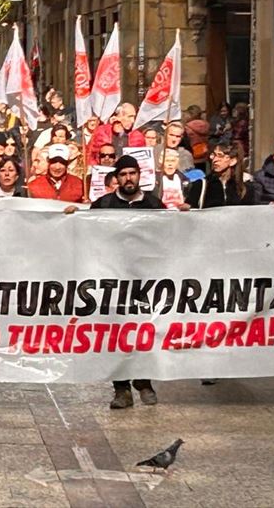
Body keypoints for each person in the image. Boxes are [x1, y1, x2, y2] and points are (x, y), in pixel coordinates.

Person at [76, 156, 162, 407]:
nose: (128, 178)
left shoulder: (154, 204)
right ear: (116, 178)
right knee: (117, 334)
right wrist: (72, 216)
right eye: (123, 174)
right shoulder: (104, 204)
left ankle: (144, 382)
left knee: (145, 330)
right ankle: (121, 389)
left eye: (132, 173)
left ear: (139, 175)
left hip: (146, 281)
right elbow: (87, 235)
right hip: (113, 280)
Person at [199, 142, 255, 207]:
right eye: (213, 155)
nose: (215, 160)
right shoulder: (204, 183)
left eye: (220, 156)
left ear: (232, 161)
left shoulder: (246, 185)